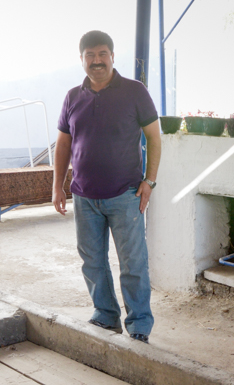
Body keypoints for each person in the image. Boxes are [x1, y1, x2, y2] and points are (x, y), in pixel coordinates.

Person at [52, 30, 161, 343]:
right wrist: (57, 186)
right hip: (84, 197)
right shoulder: (73, 96)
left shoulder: (134, 91)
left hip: (125, 194)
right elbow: (63, 144)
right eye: (90, 55)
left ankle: (139, 325)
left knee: (133, 264)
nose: (96, 61)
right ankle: (105, 316)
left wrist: (149, 181)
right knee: (92, 262)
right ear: (82, 59)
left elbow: (154, 137)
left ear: (112, 56)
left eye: (102, 54)